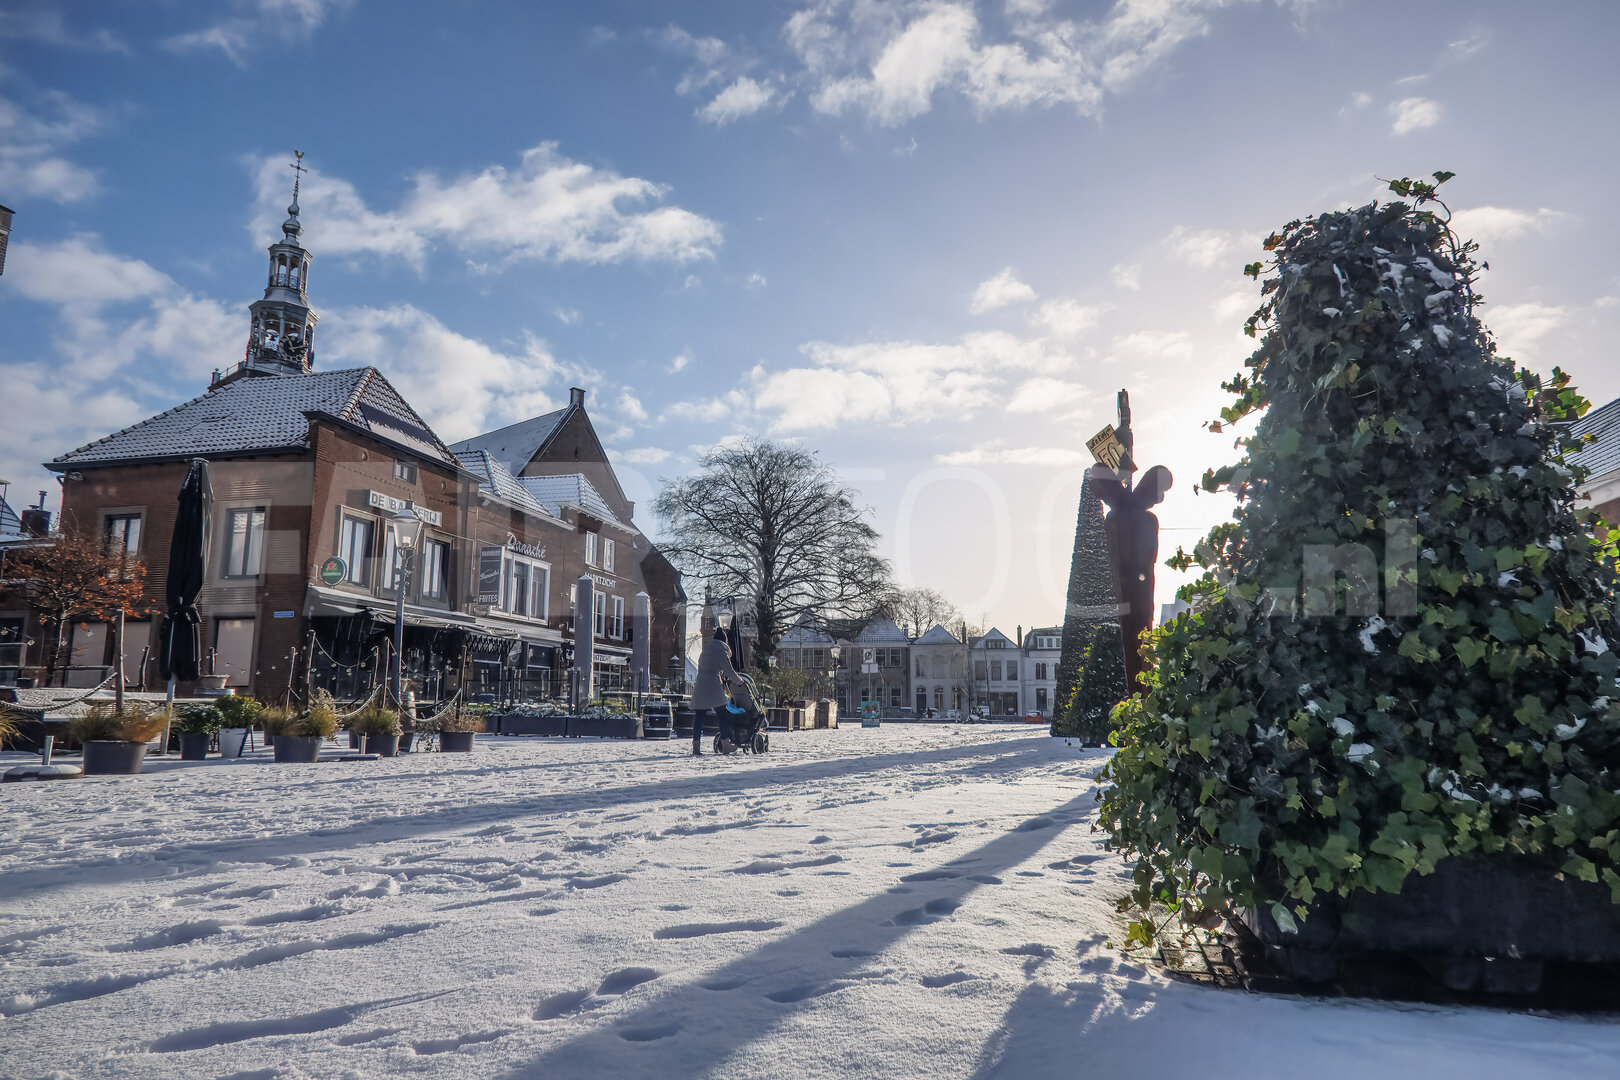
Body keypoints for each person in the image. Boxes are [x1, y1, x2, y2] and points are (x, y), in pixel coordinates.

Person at [689, 626, 741, 755]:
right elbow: (729, 671)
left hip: (700, 685)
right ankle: (725, 744)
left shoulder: (705, 651)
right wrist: (740, 681)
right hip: (713, 685)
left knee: (699, 718)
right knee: (723, 716)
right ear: (724, 641)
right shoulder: (721, 651)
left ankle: (696, 746)